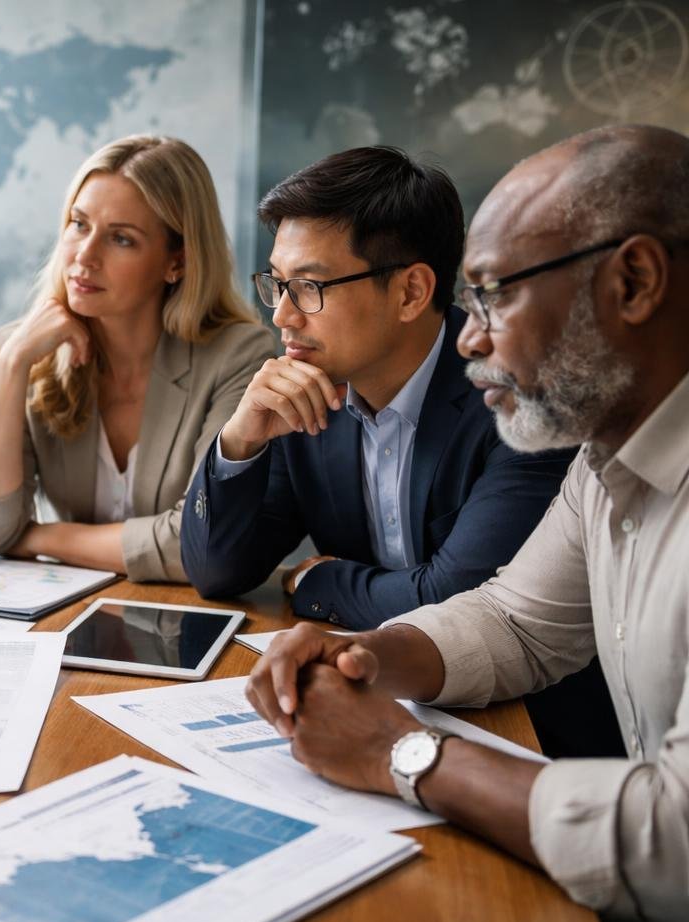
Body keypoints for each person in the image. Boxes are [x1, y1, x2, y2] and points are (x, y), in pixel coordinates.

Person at [245, 126, 689, 922]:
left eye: (490, 298)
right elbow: (515, 620)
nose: (466, 341)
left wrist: (404, 756)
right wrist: (371, 652)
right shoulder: (609, 460)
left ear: (633, 281)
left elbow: (674, 841)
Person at [181, 146, 574, 628]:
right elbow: (215, 574)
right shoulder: (304, 395)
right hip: (367, 682)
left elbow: (459, 602)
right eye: (278, 284)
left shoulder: (516, 395)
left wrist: (317, 584)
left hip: (509, 701)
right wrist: (239, 442)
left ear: (411, 292)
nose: (282, 315)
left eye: (309, 287)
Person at [0, 135, 272, 581]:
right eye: (78, 224)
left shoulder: (237, 356)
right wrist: (12, 366)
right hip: (60, 614)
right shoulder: (20, 350)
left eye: (121, 239)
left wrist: (38, 538)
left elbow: (197, 544)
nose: (84, 256)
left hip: (180, 621)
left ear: (178, 262)